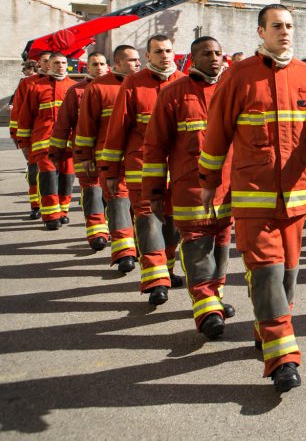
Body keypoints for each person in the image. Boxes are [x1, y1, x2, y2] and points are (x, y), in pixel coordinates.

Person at [199, 4, 306, 392]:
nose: (285, 31)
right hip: (253, 198)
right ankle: (282, 358)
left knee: (288, 276)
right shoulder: (239, 76)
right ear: (261, 32)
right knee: (268, 273)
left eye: (289, 25)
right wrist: (209, 181)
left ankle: (266, 328)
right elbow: (216, 134)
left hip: (295, 197)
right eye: (276, 26)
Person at [142, 36, 236, 339]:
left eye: (218, 53)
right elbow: (155, 146)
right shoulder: (173, 94)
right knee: (196, 247)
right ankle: (207, 309)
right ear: (193, 59)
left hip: (228, 187)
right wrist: (155, 191)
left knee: (221, 246)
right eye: (207, 53)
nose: (214, 58)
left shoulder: (231, 89)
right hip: (189, 188)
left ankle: (214, 297)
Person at [100, 35, 185, 304]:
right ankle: (155, 280)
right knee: (148, 222)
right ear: (148, 56)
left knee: (173, 225)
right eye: (158, 51)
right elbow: (117, 130)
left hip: (178, 170)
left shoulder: (185, 82)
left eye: (168, 50)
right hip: (142, 167)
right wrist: (111, 171)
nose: (164, 56)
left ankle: (166, 270)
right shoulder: (133, 83)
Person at [75, 45, 142, 271]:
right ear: (118, 63)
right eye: (131, 60)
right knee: (118, 202)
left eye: (138, 59)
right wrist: (85, 156)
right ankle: (124, 253)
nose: (137, 64)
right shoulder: (98, 87)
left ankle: (141, 246)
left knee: (140, 206)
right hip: (110, 158)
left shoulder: (145, 84)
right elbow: (86, 126)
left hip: (140, 159)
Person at [49, 51, 109, 249]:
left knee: (114, 195)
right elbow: (63, 124)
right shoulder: (76, 91)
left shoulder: (119, 88)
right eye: (94, 64)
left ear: (108, 66)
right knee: (92, 192)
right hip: (85, 153)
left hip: (113, 154)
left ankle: (115, 230)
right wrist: (56, 152)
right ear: (87, 67)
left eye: (102, 64)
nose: (99, 68)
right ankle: (97, 233)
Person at [16, 52, 76, 230]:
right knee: (48, 178)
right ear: (48, 65)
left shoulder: (74, 87)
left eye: (63, 62)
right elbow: (25, 117)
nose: (60, 66)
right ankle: (50, 216)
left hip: (68, 143)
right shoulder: (35, 87)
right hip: (43, 142)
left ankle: (63, 211)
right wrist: (24, 142)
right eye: (56, 62)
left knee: (67, 178)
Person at [11, 55, 47, 219]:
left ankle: (55, 209)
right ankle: (36, 205)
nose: (49, 64)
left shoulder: (66, 84)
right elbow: (18, 112)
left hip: (58, 141)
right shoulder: (27, 84)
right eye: (45, 61)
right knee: (34, 173)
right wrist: (17, 137)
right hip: (34, 138)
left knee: (58, 176)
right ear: (40, 64)